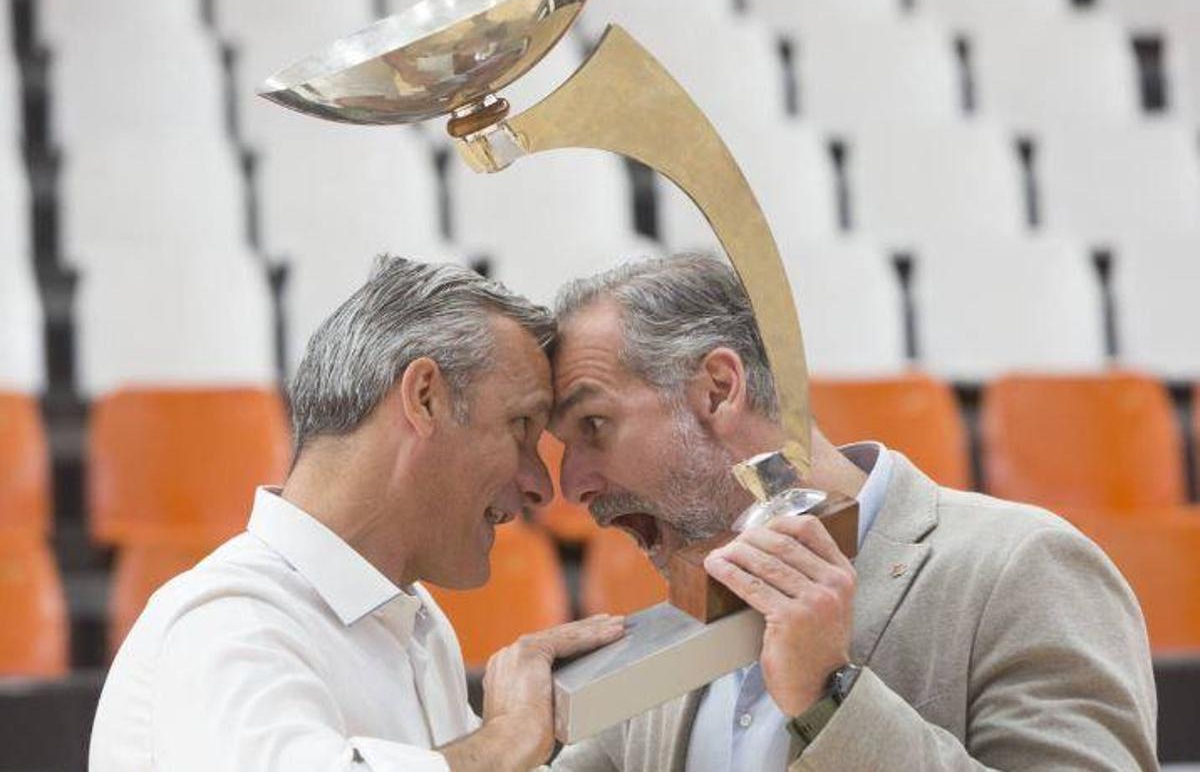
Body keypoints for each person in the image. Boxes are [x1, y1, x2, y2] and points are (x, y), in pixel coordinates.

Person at [548, 253, 1157, 771]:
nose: (571, 484)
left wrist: (830, 694)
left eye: (594, 425)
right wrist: (498, 745)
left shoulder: (1024, 568)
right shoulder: (667, 641)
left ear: (718, 389)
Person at [89, 256, 624, 772]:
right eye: (520, 427)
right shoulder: (224, 625)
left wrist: (662, 704)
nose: (539, 485)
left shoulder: (415, 624)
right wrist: (507, 740)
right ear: (425, 398)